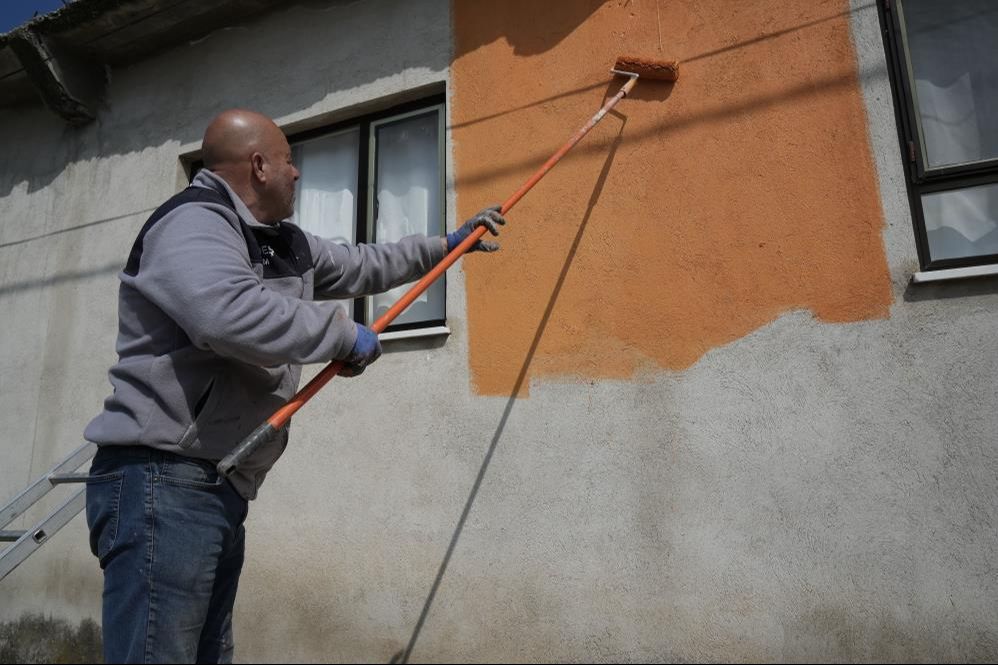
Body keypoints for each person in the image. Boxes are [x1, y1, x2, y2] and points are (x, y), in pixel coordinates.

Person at [82, 109, 504, 663]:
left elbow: (360, 265)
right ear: (259, 166)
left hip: (217, 481)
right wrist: (339, 335)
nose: (298, 173)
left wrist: (447, 246)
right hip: (164, 480)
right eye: (288, 160)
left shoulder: (282, 241)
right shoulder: (194, 222)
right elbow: (224, 313)